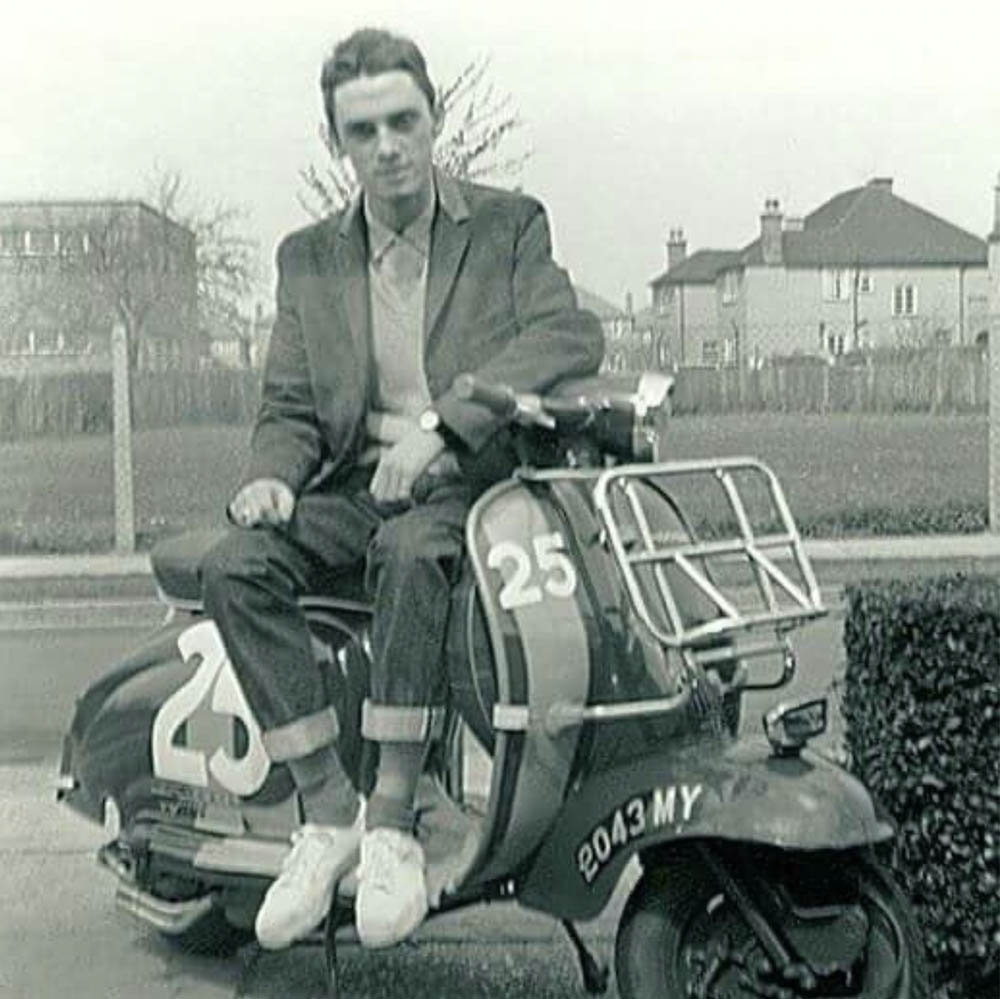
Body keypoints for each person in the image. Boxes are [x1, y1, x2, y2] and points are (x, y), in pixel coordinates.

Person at [201, 26, 604, 952]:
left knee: (414, 549)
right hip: (351, 487)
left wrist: (441, 425)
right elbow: (292, 404)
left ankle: (393, 823)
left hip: (468, 487)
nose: (387, 147)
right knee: (236, 566)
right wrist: (270, 477)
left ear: (435, 120)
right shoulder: (308, 257)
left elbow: (567, 337)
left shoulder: (508, 226)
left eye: (403, 122)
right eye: (363, 131)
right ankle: (328, 808)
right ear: (336, 142)